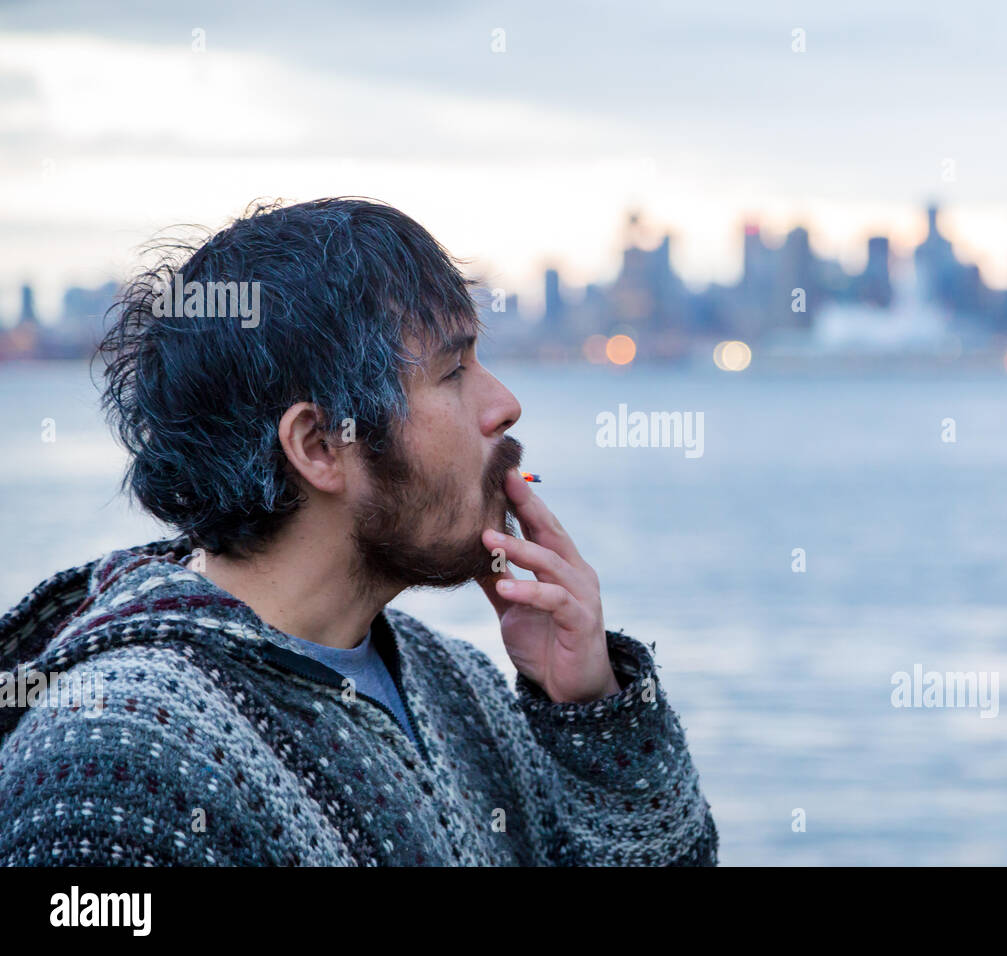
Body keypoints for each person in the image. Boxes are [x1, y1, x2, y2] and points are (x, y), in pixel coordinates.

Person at [0, 198, 718, 866]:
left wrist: (590, 711)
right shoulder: (114, 765)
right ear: (318, 446)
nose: (505, 405)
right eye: (453, 371)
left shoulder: (459, 690)